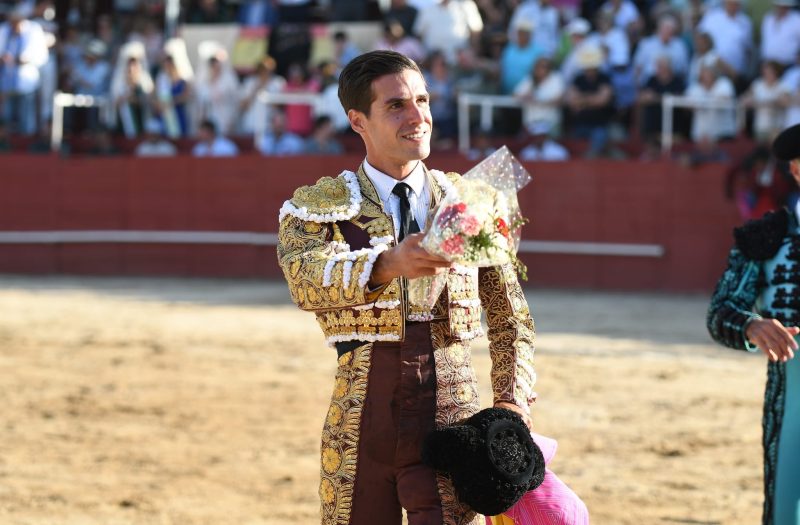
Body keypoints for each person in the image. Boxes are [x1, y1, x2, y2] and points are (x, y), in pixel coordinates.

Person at [276, 50, 539, 525]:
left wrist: (511, 403)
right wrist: (386, 264)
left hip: (453, 420)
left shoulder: (472, 201)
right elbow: (304, 278)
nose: (418, 117)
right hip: (360, 418)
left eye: (423, 100)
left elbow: (510, 318)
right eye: (396, 105)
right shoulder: (317, 207)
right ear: (358, 121)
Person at [707, 122, 800, 525]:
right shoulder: (766, 237)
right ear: (795, 169)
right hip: (793, 395)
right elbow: (721, 310)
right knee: (786, 511)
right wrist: (750, 325)